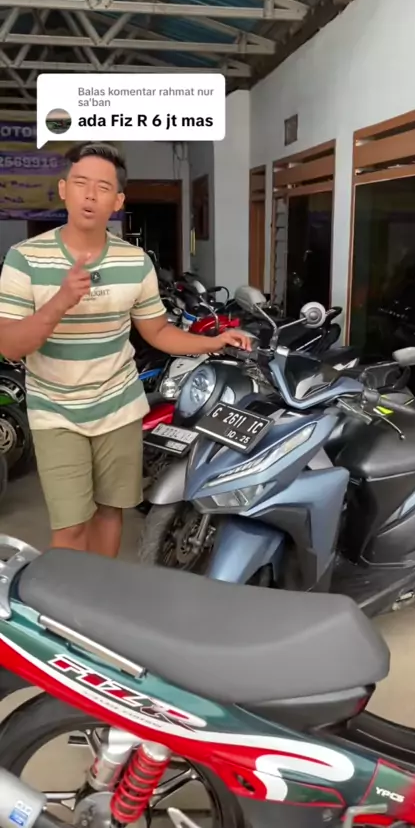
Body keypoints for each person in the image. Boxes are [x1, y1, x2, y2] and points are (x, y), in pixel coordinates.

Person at [0, 141, 251, 558]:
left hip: (119, 407)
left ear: (117, 201)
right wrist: (60, 301)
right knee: (70, 524)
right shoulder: (25, 258)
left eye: (103, 187)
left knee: (110, 513)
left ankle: (101, 592)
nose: (90, 195)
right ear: (63, 189)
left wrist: (213, 342)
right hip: (56, 411)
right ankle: (66, 597)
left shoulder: (135, 262)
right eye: (80, 183)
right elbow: (10, 345)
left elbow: (157, 331)